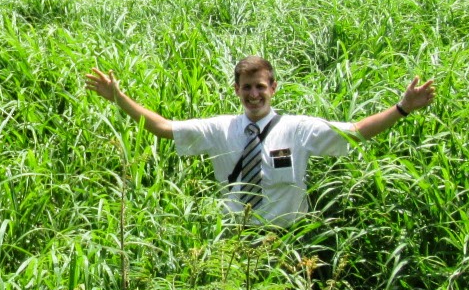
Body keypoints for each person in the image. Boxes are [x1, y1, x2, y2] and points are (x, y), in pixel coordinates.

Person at [83, 56, 437, 226]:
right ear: (236, 90)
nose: (254, 95)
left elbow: (356, 131)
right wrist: (118, 98)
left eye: (261, 87)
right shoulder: (219, 128)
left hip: (288, 240)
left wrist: (402, 108)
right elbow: (163, 127)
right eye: (247, 87)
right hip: (235, 241)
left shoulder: (298, 128)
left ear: (273, 88)